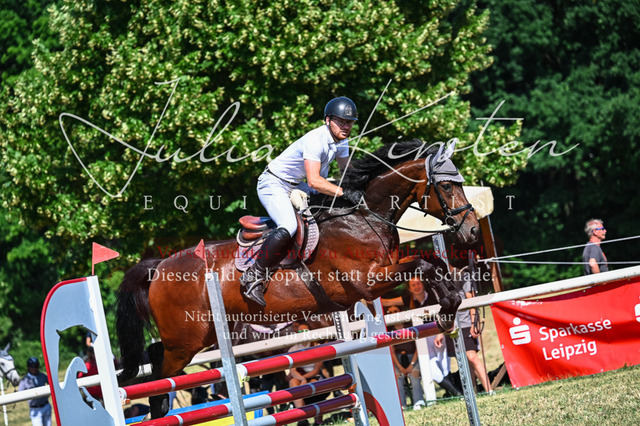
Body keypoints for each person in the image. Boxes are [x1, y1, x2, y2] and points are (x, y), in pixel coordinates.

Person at [240, 97, 364, 306]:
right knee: (288, 226)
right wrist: (344, 192)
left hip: (297, 185)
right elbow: (314, 181)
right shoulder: (316, 139)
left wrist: (362, 185)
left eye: (350, 122)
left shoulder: (342, 141)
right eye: (341, 121)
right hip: (274, 183)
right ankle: (254, 275)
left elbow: (346, 171)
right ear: (328, 120)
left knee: (331, 206)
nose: (346, 126)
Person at [444, 268, 491, 394]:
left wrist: (474, 322)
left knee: (472, 356)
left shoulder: (462, 275)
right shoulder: (438, 278)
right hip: (450, 325)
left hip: (465, 323)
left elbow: (471, 298)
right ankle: (473, 393)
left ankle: (489, 390)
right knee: (463, 361)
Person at [386, 306, 425, 410]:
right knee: (397, 377)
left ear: (401, 312)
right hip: (398, 359)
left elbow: (418, 347)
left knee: (414, 375)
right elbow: (392, 351)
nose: (393, 314)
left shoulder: (410, 326)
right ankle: (402, 405)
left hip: (413, 357)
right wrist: (400, 367)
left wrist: (411, 365)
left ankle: (418, 402)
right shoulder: (389, 330)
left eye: (395, 311)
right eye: (390, 312)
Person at [18, 357, 52, 426]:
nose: (34, 368)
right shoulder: (24, 380)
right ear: (28, 367)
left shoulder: (42, 376)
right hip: (35, 409)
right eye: (32, 366)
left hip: (45, 405)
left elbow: (51, 384)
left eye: (36, 366)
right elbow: (20, 393)